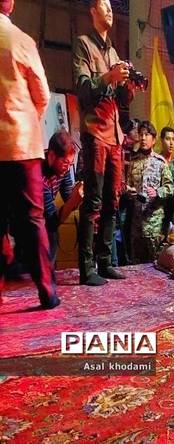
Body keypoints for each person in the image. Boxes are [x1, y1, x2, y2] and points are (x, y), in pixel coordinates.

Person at [0, 0, 60, 308]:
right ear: (9, 5)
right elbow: (43, 95)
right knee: (34, 220)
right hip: (21, 145)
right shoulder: (20, 40)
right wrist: (25, 122)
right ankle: (47, 292)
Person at [74, 0, 136, 285]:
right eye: (104, 5)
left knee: (113, 199)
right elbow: (83, 89)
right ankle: (86, 268)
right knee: (94, 200)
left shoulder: (113, 52)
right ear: (93, 11)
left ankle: (105, 261)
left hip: (115, 136)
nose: (110, 10)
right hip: (95, 131)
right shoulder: (83, 44)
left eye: (111, 6)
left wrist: (129, 87)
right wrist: (109, 76)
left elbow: (122, 100)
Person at [125, 121, 173, 264]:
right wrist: (129, 192)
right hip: (137, 224)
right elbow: (128, 185)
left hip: (154, 224)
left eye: (147, 135)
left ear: (154, 139)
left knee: (155, 264)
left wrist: (158, 192)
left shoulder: (160, 163)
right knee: (136, 264)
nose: (143, 138)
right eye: (141, 135)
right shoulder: (134, 162)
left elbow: (170, 188)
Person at [43, 131, 83, 265]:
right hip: (25, 223)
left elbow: (68, 196)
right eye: (65, 163)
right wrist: (73, 200)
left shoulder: (63, 169)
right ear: (52, 155)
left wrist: (79, 194)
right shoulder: (38, 176)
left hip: (46, 222)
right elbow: (52, 221)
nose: (67, 168)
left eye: (70, 164)